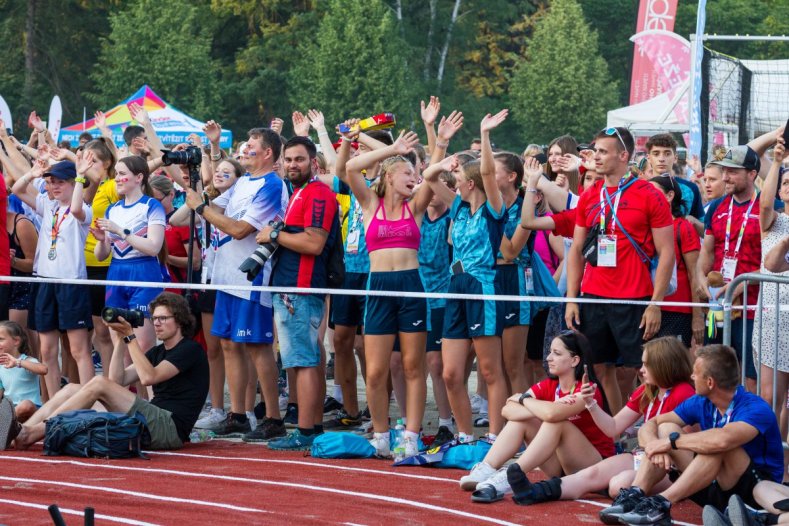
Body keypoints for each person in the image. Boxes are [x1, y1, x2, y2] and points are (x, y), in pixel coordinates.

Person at [344, 112, 462, 457]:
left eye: (414, 174)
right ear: (389, 177)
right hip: (378, 287)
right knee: (377, 369)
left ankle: (411, 433)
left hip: (411, 288)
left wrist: (439, 141)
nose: (414, 179)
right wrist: (390, 149)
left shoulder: (416, 208)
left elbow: (430, 173)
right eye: (407, 174)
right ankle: (381, 432)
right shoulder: (369, 204)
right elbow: (352, 170)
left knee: (414, 367)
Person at [493, 337, 695, 506]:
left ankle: (675, 490)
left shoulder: (684, 393)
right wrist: (591, 404)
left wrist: (525, 401)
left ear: (664, 365)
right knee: (592, 475)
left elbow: (683, 443)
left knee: (617, 485)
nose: (641, 370)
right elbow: (613, 427)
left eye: (646, 364)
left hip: (670, 465)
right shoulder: (646, 390)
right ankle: (535, 491)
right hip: (644, 455)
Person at [599, 344, 783, 525]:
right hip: (715, 484)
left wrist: (670, 444)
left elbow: (722, 440)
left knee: (716, 445)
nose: (692, 376)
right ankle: (635, 494)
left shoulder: (755, 408)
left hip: (755, 494)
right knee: (667, 428)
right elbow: (652, 423)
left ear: (710, 382)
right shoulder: (700, 401)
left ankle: (660, 503)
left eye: (696, 373)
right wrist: (655, 445)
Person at [184, 127, 288, 439]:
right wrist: (193, 184)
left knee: (257, 346)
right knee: (229, 345)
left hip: (252, 277)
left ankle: (272, 416)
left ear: (267, 153)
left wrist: (200, 207)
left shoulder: (272, 185)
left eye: (250, 146)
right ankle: (237, 413)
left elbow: (241, 229)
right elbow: (214, 206)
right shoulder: (243, 181)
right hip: (226, 276)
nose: (243, 150)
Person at [9, 293, 209, 451]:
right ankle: (20, 433)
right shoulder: (158, 352)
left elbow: (149, 378)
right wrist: (120, 340)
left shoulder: (190, 350)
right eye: (154, 318)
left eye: (163, 318)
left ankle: (33, 433)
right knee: (71, 388)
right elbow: (116, 381)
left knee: (98, 383)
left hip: (169, 428)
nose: (156, 323)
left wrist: (131, 337)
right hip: (151, 420)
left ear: (180, 320)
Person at [565, 127, 675, 415]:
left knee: (646, 370)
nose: (595, 157)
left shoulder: (649, 194)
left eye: (603, 151)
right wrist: (572, 298)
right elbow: (576, 250)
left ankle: (654, 423)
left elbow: (667, 253)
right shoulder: (590, 195)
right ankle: (614, 430)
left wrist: (656, 303)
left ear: (623, 155)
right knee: (598, 368)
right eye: (595, 150)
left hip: (634, 298)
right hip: (593, 296)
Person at [249, 136, 338, 450]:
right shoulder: (299, 192)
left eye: (299, 159)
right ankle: (308, 429)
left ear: (313, 163)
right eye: (288, 160)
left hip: (300, 288)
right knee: (303, 361)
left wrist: (274, 233)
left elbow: (313, 243)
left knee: (302, 362)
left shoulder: (317, 194)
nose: (292, 165)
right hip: (292, 287)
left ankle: (306, 431)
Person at [426, 111, 509, 443]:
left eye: (459, 177)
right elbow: (431, 177)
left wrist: (484, 135)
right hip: (455, 287)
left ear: (470, 183)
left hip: (482, 287)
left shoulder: (492, 208)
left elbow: (487, 172)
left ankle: (494, 436)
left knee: (490, 371)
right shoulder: (457, 207)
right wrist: (446, 160)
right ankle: (463, 435)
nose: (454, 182)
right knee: (450, 373)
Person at [459, 330, 612, 503]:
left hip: (594, 467)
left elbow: (552, 414)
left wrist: (524, 399)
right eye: (550, 352)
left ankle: (512, 474)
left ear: (575, 360)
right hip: (560, 466)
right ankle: (487, 468)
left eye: (557, 353)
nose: (548, 358)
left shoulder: (587, 389)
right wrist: (537, 409)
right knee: (523, 420)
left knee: (556, 422)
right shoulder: (550, 385)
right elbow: (507, 410)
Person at [11, 159, 94, 397]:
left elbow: (77, 208)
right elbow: (17, 189)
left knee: (79, 350)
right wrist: (33, 173)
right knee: (47, 351)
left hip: (71, 282)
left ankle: (87, 402)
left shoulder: (83, 208)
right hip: (45, 281)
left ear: (72, 183)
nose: (53, 187)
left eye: (60, 182)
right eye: (50, 182)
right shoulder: (48, 204)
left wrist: (80, 176)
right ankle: (55, 402)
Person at [696, 145, 762, 392]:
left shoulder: (769, 207)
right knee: (713, 371)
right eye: (724, 170)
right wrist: (700, 278)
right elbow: (708, 251)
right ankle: (715, 425)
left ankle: (746, 427)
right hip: (718, 305)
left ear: (752, 174)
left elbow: (774, 263)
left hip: (752, 308)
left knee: (749, 375)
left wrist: (740, 285)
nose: (725, 177)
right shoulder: (716, 207)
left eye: (733, 171)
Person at [184, 158, 243, 430]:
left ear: (238, 180)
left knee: (240, 348)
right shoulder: (206, 203)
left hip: (236, 279)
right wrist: (199, 200)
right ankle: (218, 408)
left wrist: (214, 150)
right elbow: (176, 218)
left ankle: (244, 410)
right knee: (214, 349)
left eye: (226, 173)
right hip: (210, 279)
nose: (219, 176)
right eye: (217, 172)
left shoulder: (240, 203)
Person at [93, 155, 165, 358]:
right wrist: (101, 240)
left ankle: (147, 391)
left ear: (139, 177)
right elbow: (102, 255)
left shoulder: (152, 206)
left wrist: (121, 231)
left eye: (122, 173)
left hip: (144, 272)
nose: (116, 178)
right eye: (116, 173)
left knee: (143, 345)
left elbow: (153, 247)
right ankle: (126, 390)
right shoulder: (112, 209)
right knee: (119, 344)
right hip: (116, 271)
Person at [417, 170, 455, 443]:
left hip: (443, 296)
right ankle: (411, 422)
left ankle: (446, 421)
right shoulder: (416, 216)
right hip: (417, 294)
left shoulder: (452, 219)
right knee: (409, 362)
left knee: (436, 362)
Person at [753, 133, 789, 419]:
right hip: (774, 317)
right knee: (770, 396)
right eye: (785, 183)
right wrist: (776, 162)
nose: (788, 186)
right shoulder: (774, 222)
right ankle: (769, 462)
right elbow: (764, 206)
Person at [649, 175, 703, 347]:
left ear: (669, 196)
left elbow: (694, 274)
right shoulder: (645, 226)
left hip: (677, 310)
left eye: (652, 192)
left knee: (671, 368)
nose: (647, 197)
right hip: (647, 307)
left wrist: (697, 316)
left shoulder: (683, 227)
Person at [0, 321, 47, 422]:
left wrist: (18, 363)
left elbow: (43, 369)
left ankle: (4, 423)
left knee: (26, 405)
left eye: (1, 339)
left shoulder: (26, 360)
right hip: (12, 411)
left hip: (33, 410)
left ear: (16, 341)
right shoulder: (0, 366)